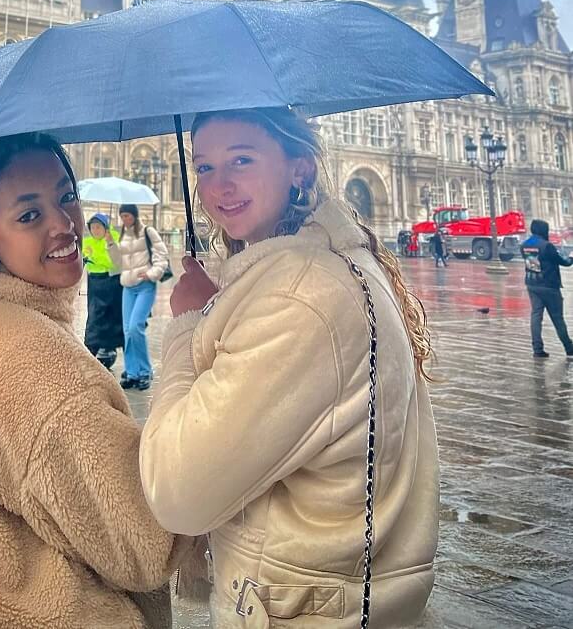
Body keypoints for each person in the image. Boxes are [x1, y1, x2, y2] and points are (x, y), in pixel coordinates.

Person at [139, 108, 440, 627]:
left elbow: (176, 492)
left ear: (299, 167)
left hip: (298, 607)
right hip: (351, 589)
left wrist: (188, 327)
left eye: (242, 159)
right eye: (204, 166)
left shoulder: (299, 296)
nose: (218, 186)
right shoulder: (336, 260)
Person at [0, 133, 191, 629]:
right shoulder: (39, 371)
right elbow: (145, 545)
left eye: (66, 196)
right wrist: (188, 351)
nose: (64, 223)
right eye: (29, 215)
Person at [107, 203, 170, 390]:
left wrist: (152, 273)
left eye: (127, 216)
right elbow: (118, 263)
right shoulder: (123, 235)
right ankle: (132, 372)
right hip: (128, 288)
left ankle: (145, 371)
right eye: (122, 216)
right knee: (127, 331)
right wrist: (111, 244)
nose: (124, 219)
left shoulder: (148, 231)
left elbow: (161, 255)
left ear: (134, 215)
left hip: (145, 287)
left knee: (136, 327)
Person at [521, 218, 573, 358]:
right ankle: (569, 348)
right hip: (549, 286)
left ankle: (537, 349)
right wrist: (571, 258)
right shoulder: (547, 246)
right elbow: (563, 262)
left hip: (532, 284)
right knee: (557, 318)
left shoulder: (525, 244)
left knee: (536, 316)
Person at [82, 213, 125, 369]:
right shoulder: (87, 243)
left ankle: (107, 349)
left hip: (111, 283)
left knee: (110, 317)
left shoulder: (114, 240)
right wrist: (84, 257)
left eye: (99, 227)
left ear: (106, 228)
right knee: (94, 316)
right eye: (93, 227)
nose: (95, 230)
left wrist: (110, 243)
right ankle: (90, 349)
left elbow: (118, 263)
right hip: (95, 285)